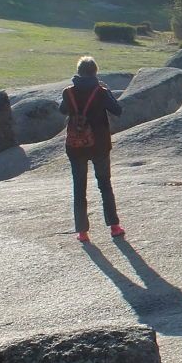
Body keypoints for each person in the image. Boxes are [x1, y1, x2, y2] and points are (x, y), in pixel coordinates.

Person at [58, 56, 125, 243]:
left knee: (79, 187)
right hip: (100, 145)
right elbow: (117, 110)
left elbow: (62, 110)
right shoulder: (101, 92)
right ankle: (114, 227)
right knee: (105, 185)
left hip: (76, 146)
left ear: (78, 72)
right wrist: (107, 91)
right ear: (95, 72)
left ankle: (82, 232)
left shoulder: (68, 92)